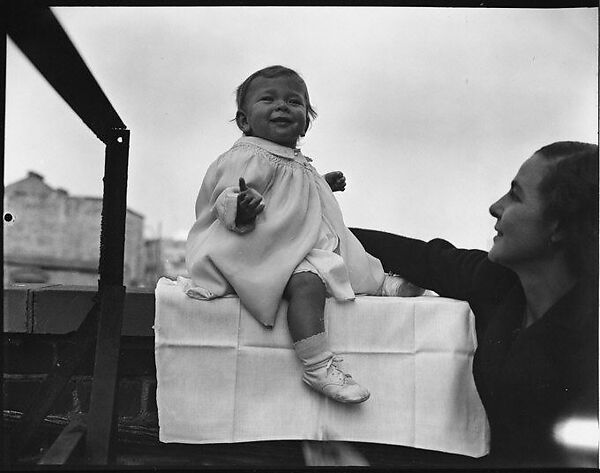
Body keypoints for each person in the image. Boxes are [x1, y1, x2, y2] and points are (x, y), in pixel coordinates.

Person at [351, 141, 598, 467]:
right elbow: (423, 258)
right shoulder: (500, 282)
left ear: (559, 226)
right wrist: (307, 224)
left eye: (516, 195)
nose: (495, 206)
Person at [185, 65, 421, 405]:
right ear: (244, 121)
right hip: (257, 248)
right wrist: (241, 204)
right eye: (268, 99)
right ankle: (317, 364)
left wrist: (322, 183)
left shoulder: (296, 161)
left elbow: (291, 194)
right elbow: (222, 196)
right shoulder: (247, 156)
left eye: (294, 102)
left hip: (289, 241)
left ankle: (378, 282)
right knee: (307, 282)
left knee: (342, 246)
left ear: (306, 122)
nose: (282, 106)